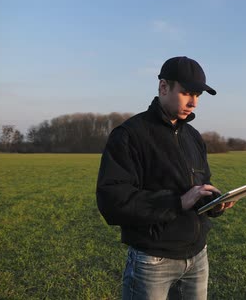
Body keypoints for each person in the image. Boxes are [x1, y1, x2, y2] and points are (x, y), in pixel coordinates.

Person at [96, 56, 234, 300]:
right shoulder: (129, 135)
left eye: (198, 96)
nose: (194, 103)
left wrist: (213, 202)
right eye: (187, 93)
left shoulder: (193, 137)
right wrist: (177, 202)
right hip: (153, 262)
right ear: (163, 87)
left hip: (197, 257)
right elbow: (112, 201)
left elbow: (197, 190)